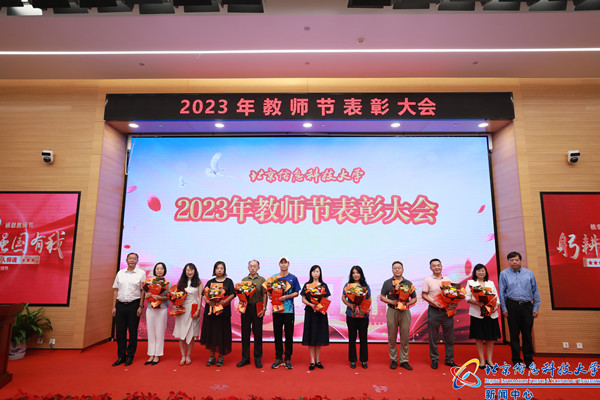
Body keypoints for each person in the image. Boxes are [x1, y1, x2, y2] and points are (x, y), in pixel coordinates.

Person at [499, 251, 541, 367]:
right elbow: (501, 292)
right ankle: (516, 360)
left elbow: (535, 291)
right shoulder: (504, 274)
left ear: (520, 260)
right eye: (511, 260)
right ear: (508, 261)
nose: (514, 262)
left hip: (527, 306)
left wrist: (536, 307)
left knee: (527, 334)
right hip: (512, 306)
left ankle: (529, 360)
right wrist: (504, 308)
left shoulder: (529, 273)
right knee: (514, 335)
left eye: (516, 260)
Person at [380, 261, 417, 370]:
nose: (397, 270)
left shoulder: (408, 283)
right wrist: (392, 302)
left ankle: (404, 360)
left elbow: (414, 298)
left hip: (405, 311)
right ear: (392, 270)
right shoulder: (387, 283)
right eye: (395, 268)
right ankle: (393, 359)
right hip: (392, 310)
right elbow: (382, 297)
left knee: (405, 336)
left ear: (403, 270)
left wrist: (408, 304)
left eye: (399, 268)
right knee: (392, 336)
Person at [422, 258, 458, 369]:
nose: (437, 267)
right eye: (434, 266)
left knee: (449, 337)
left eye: (438, 265)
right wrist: (433, 303)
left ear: (441, 266)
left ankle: (449, 359)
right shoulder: (427, 280)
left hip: (447, 311)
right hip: (434, 311)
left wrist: (454, 304)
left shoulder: (447, 280)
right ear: (430, 268)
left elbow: (453, 295)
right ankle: (434, 359)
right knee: (433, 337)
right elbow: (424, 295)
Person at [111, 252, 146, 366]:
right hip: (120, 305)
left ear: (137, 261)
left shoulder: (141, 273)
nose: (132, 260)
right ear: (126, 260)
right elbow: (116, 290)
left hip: (134, 305)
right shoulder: (120, 273)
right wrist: (114, 307)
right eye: (130, 258)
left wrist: (140, 306)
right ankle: (121, 356)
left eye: (134, 259)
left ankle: (130, 356)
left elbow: (143, 291)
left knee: (132, 332)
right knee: (120, 332)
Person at [465, 263, 501, 368]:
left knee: (490, 338)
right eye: (479, 270)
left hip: (491, 314)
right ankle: (481, 360)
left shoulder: (490, 283)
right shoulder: (471, 283)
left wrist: (496, 306)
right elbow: (467, 297)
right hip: (477, 314)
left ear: (486, 272)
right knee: (479, 337)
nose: (481, 272)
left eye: (483, 270)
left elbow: (496, 297)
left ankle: (489, 360)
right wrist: (477, 303)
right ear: (475, 272)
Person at [200, 260, 235, 367]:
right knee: (211, 334)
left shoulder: (228, 281)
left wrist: (224, 301)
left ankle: (220, 356)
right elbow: (204, 294)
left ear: (224, 270)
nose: (219, 270)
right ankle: (211, 356)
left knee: (221, 334)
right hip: (211, 312)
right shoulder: (210, 282)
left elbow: (232, 294)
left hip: (223, 312)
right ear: (214, 270)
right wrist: (208, 301)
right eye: (217, 268)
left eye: (221, 268)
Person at [270, 256, 301, 370]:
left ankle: (288, 358)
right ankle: (278, 358)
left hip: (289, 310)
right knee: (277, 334)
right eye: (281, 262)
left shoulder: (293, 278)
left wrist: (286, 297)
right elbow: (269, 292)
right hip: (277, 310)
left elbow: (297, 293)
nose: (283, 264)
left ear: (288, 264)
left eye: (285, 262)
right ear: (279, 264)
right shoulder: (274, 278)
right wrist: (271, 296)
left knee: (289, 335)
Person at [237, 259, 268, 369]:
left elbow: (265, 295)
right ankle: (245, 358)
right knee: (245, 333)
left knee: (258, 334)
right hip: (246, 308)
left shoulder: (262, 280)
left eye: (255, 266)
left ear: (258, 268)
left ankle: (258, 359)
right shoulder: (244, 280)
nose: (253, 268)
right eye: (251, 266)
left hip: (257, 307)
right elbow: (241, 295)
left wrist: (264, 308)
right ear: (248, 268)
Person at [301, 265, 331, 370]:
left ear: (320, 273)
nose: (315, 273)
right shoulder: (307, 285)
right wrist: (311, 305)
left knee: (319, 336)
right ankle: (312, 361)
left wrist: (319, 306)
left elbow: (326, 298)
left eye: (317, 271)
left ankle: (318, 360)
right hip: (310, 312)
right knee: (311, 335)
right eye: (314, 271)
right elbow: (303, 299)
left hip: (320, 313)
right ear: (311, 273)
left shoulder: (324, 285)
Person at [341, 265, 371, 369]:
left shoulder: (365, 285)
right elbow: (343, 297)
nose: (355, 275)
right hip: (351, 315)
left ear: (361, 274)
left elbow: (369, 298)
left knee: (363, 338)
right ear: (351, 275)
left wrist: (367, 308)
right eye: (353, 273)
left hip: (363, 316)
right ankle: (353, 360)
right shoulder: (348, 285)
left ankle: (363, 360)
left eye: (357, 273)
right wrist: (349, 305)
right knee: (352, 338)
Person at [172, 263, 202, 366]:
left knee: (191, 333)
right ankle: (183, 356)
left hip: (193, 308)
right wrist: (174, 306)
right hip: (182, 309)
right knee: (181, 334)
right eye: (188, 270)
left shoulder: (198, 282)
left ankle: (188, 355)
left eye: (192, 270)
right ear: (185, 271)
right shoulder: (181, 282)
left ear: (195, 271)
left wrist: (198, 309)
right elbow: (175, 297)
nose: (190, 272)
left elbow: (200, 297)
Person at [144, 262, 170, 365]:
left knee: (159, 332)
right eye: (157, 268)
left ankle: (157, 355)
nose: (159, 270)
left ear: (164, 270)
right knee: (150, 332)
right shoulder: (149, 281)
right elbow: (145, 295)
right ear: (154, 270)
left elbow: (169, 297)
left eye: (161, 269)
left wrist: (160, 297)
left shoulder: (167, 283)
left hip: (161, 309)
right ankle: (151, 354)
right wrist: (147, 296)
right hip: (150, 308)